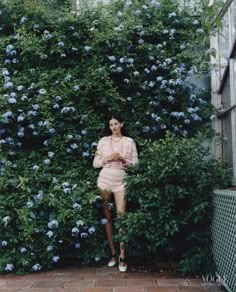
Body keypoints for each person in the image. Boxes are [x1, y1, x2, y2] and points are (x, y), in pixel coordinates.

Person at [93, 114, 138, 272]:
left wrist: (124, 160)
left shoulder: (129, 141)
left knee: (121, 217)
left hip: (121, 181)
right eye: (111, 124)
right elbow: (96, 163)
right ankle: (112, 253)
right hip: (104, 180)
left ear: (122, 124)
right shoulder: (103, 141)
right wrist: (108, 158)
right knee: (107, 217)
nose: (113, 127)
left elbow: (136, 164)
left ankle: (123, 256)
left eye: (116, 123)